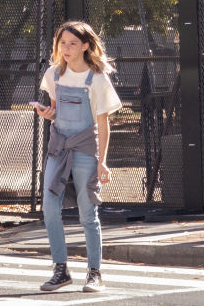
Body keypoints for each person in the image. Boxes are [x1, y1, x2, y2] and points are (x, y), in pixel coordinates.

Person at [34, 21, 122, 293]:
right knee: (50, 208)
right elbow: (56, 109)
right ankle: (60, 270)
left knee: (87, 213)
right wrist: (48, 113)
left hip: (86, 148)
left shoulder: (96, 78)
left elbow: (103, 123)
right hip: (58, 148)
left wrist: (102, 161)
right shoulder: (53, 74)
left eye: (73, 43)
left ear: (85, 45)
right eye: (62, 43)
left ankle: (94, 273)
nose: (66, 48)